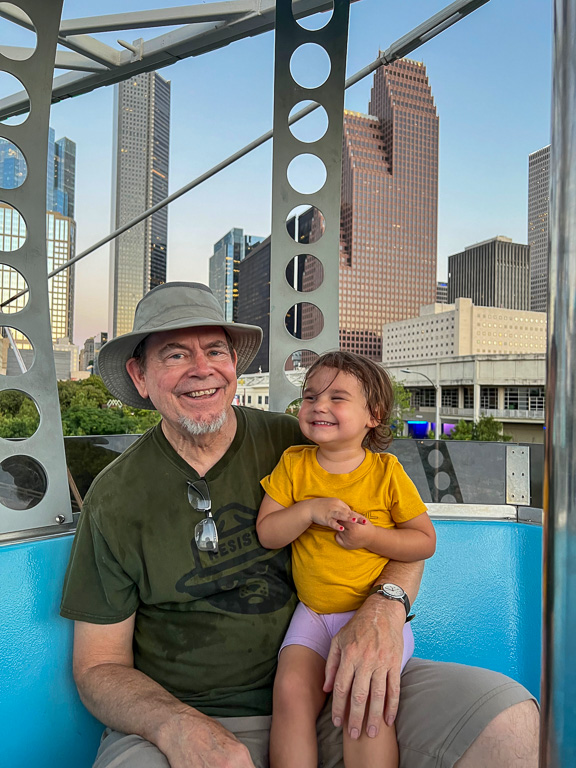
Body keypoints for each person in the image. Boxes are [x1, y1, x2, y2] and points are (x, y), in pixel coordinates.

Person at [60, 282, 539, 768]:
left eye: (215, 350)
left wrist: (384, 610)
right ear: (140, 377)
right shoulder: (115, 497)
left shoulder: (305, 444)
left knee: (510, 718)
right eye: (176, 354)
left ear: (233, 365)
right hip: (187, 718)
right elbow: (98, 667)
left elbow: (403, 543)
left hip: (340, 685)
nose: (201, 369)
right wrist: (175, 726)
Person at [256, 351, 436, 768]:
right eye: (310, 396)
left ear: (373, 415)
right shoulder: (293, 465)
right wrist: (309, 510)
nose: (319, 405)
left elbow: (423, 542)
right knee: (290, 694)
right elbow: (268, 533)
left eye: (337, 398)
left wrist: (372, 537)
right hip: (313, 613)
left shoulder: (386, 472)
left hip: (374, 617)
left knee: (367, 709)